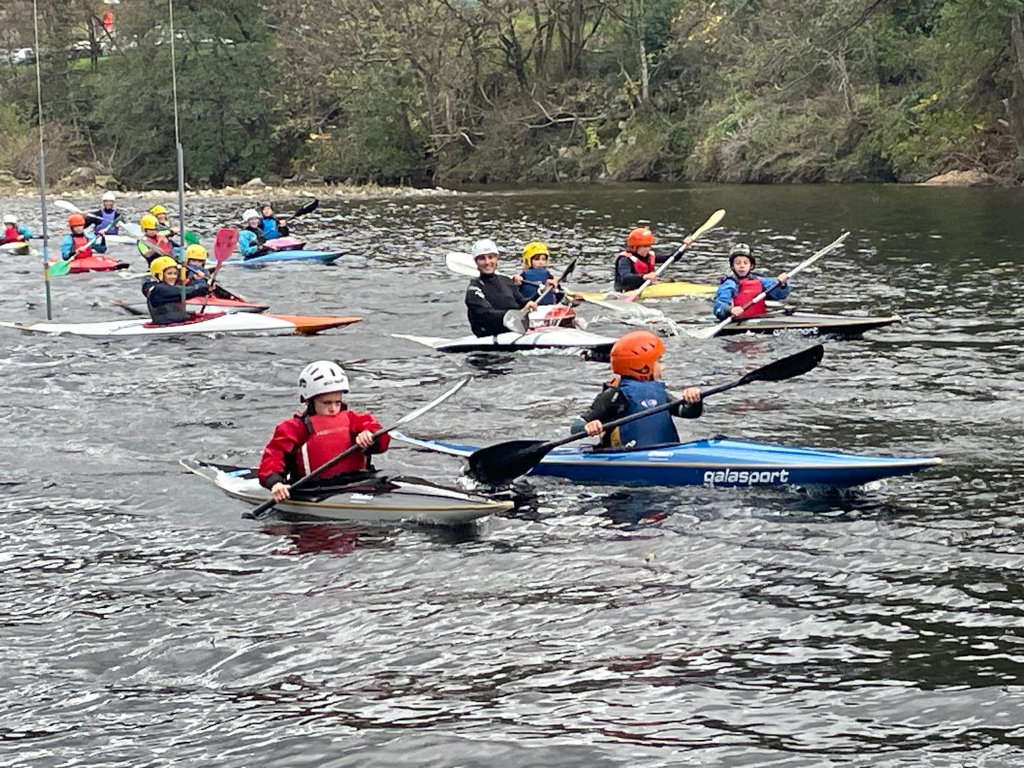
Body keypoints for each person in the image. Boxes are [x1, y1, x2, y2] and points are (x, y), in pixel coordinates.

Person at [258, 360, 390, 501]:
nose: (333, 408)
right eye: (326, 402)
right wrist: (276, 483)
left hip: (359, 482)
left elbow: (380, 437)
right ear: (309, 401)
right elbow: (273, 458)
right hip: (314, 490)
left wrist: (370, 436)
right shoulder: (294, 428)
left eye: (337, 402)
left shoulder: (354, 420)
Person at [572, 330, 702, 449]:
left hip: (664, 454)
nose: (663, 367)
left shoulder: (659, 393)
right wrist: (588, 427)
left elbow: (689, 413)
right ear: (643, 367)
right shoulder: (615, 395)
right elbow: (576, 427)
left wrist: (694, 400)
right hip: (623, 457)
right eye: (658, 361)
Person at [465, 238, 537, 336]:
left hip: (512, 330)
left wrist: (541, 291)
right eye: (482, 258)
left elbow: (522, 301)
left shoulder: (506, 280)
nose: (487, 262)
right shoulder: (474, 289)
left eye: (491, 257)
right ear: (476, 262)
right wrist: (519, 312)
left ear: (496, 259)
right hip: (489, 332)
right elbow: (487, 315)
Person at [712, 243, 791, 320]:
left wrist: (782, 284)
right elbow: (719, 305)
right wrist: (729, 309)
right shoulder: (729, 284)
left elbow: (780, 295)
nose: (742, 266)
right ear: (732, 266)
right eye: (737, 263)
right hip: (737, 322)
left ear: (751, 266)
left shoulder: (760, 281)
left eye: (745, 263)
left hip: (760, 319)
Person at [614, 227, 692, 292]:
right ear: (634, 247)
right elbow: (625, 277)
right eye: (645, 246)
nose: (648, 249)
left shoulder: (649, 256)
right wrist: (644, 277)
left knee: (669, 280)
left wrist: (684, 247)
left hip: (646, 288)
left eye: (649, 246)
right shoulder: (624, 259)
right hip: (625, 291)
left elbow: (672, 258)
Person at [141, 255, 210, 324]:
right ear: (158, 275)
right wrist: (205, 287)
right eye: (169, 273)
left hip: (176, 322)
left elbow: (182, 287)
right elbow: (185, 292)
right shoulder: (158, 290)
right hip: (166, 327)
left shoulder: (167, 287)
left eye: (175, 273)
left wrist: (194, 279)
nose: (173, 277)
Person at [515, 241, 563, 305]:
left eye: (543, 259)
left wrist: (556, 289)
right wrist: (516, 284)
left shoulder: (550, 277)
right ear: (529, 261)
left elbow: (559, 297)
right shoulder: (521, 277)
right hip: (529, 308)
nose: (541, 262)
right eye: (537, 259)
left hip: (547, 308)